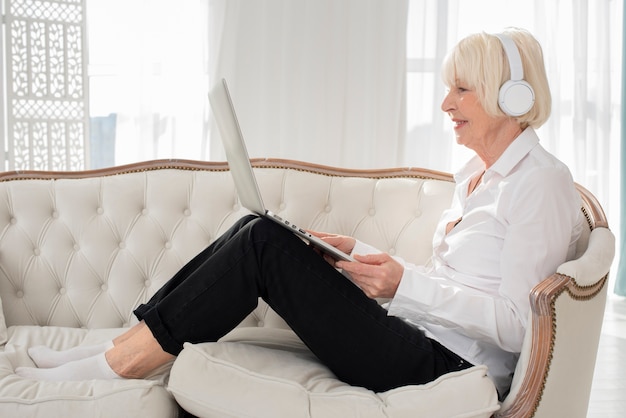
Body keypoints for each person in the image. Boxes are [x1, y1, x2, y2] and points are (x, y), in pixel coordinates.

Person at [16, 28, 583, 398]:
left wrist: (405, 285)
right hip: (415, 335)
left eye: (462, 89)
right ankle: (121, 345)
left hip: (445, 369)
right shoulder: (478, 180)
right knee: (254, 229)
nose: (445, 105)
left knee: (262, 243)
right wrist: (369, 262)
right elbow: (463, 283)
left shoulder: (541, 184)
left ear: (510, 98)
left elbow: (518, 324)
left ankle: (119, 366)